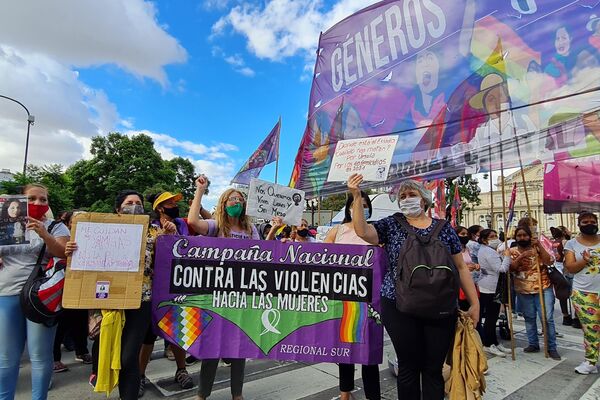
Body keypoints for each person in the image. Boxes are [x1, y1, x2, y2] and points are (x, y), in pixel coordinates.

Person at [347, 174, 479, 400]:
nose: (406, 199)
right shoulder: (391, 224)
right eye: (403, 196)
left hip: (441, 307)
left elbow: (461, 267)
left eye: (412, 195)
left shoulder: (444, 228)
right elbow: (363, 231)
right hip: (399, 306)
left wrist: (474, 302)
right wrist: (356, 195)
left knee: (433, 369)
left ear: (424, 200)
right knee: (408, 367)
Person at [66, 190, 165, 399]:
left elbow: (165, 261)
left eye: (138, 203)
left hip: (142, 300)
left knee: (128, 356)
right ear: (118, 208)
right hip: (109, 301)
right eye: (129, 202)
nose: (135, 205)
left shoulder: (154, 233)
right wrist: (73, 249)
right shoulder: (103, 229)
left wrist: (169, 237)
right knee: (110, 352)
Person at [188, 176, 259, 400]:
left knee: (239, 347)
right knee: (212, 347)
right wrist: (200, 190)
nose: (235, 202)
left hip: (242, 295)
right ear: (223, 204)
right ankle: (202, 394)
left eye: (239, 199)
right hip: (217, 296)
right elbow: (192, 222)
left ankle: (237, 394)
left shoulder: (251, 229)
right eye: (231, 199)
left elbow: (262, 254)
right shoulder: (216, 226)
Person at [0, 183, 70, 400]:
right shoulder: (4, 225)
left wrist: (44, 234)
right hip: (6, 292)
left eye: (43, 199)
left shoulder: (56, 227)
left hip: (41, 296)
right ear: (19, 201)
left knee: (39, 355)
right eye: (31, 199)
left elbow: (63, 253)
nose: (38, 203)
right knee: (7, 358)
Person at [324, 191, 380, 400]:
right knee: (345, 349)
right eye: (357, 203)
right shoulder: (336, 231)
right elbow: (319, 258)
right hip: (343, 297)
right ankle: (345, 392)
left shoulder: (374, 231)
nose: (361, 207)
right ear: (349, 207)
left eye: (365, 204)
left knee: (370, 351)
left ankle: (373, 395)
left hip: (370, 300)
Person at [138, 192, 194, 396]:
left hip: (177, 288)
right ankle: (140, 375)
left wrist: (175, 237)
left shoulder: (182, 225)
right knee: (148, 337)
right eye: (170, 203)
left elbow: (188, 249)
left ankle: (182, 370)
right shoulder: (149, 227)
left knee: (178, 333)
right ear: (160, 208)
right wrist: (163, 237)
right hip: (153, 289)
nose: (174, 206)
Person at [509, 225, 561, 360]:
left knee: (547, 318)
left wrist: (539, 246)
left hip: (543, 287)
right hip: (523, 289)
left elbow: (549, 261)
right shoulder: (511, 251)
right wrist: (521, 258)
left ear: (529, 236)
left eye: (524, 235)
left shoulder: (538, 248)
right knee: (529, 317)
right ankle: (533, 343)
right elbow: (511, 269)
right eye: (519, 235)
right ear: (515, 237)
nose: (522, 238)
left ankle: (551, 347)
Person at [52, 211, 92, 373]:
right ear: (67, 223)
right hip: (60, 284)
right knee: (60, 324)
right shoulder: (61, 237)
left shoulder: (91, 236)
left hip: (82, 284)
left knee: (80, 320)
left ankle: (82, 351)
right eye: (76, 220)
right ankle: (54, 358)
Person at [564, 211, 600, 374]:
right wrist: (584, 261)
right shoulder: (572, 244)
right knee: (591, 329)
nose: (589, 224)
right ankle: (590, 362)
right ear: (579, 225)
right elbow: (570, 268)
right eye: (585, 222)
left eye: (592, 221)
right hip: (584, 293)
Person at [476, 229, 512, 357]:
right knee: (491, 317)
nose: (495, 238)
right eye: (492, 236)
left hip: (491, 285)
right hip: (490, 286)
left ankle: (494, 342)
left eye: (496, 235)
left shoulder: (487, 250)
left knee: (493, 316)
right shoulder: (488, 251)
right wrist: (507, 256)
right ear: (485, 240)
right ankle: (488, 343)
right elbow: (501, 269)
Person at [550, 226, 575, 326]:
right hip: (565, 269)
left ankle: (566, 316)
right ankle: (576, 318)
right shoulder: (565, 242)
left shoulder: (552, 243)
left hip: (556, 268)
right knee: (573, 293)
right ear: (564, 232)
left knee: (562, 294)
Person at [454, 226, 480, 312]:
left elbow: (468, 262)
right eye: (462, 234)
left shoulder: (467, 248)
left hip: (470, 280)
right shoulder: (453, 250)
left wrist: (475, 265)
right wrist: (465, 267)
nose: (465, 236)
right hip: (458, 283)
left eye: (466, 234)